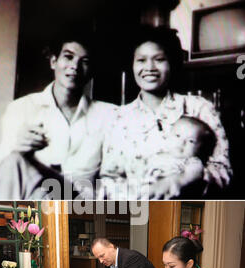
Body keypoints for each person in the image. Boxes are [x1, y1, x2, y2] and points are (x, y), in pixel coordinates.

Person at [99, 25, 232, 200]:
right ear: (131, 64)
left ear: (172, 63)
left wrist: (179, 182)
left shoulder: (198, 107)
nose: (150, 67)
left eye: (159, 59)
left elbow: (223, 171)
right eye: (141, 60)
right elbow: (110, 178)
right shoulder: (118, 117)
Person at [0, 29, 117, 200]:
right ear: (53, 61)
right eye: (68, 57)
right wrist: (20, 149)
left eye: (85, 61)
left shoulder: (109, 115)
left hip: (82, 204)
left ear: (91, 71)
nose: (75, 66)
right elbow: (4, 169)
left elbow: (115, 176)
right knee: (14, 160)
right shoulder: (21, 108)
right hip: (34, 201)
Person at [139, 115, 217, 199]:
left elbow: (194, 174)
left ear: (200, 148)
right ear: (168, 136)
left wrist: (180, 180)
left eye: (191, 141)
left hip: (172, 194)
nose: (182, 142)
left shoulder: (192, 161)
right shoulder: (158, 155)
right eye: (177, 136)